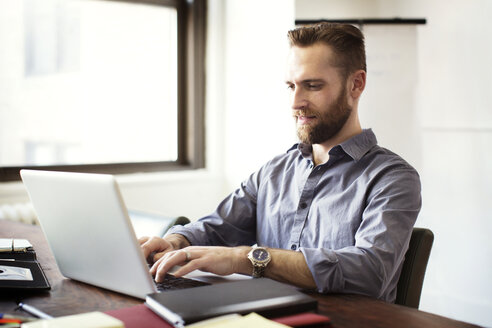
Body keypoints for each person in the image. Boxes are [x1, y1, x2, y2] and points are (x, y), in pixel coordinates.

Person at [139, 23, 421, 303]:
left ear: (356, 84)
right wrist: (176, 242)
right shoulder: (274, 171)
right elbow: (217, 227)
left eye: (312, 86)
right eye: (291, 86)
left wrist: (247, 258)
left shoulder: (392, 177)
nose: (296, 102)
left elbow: (369, 273)